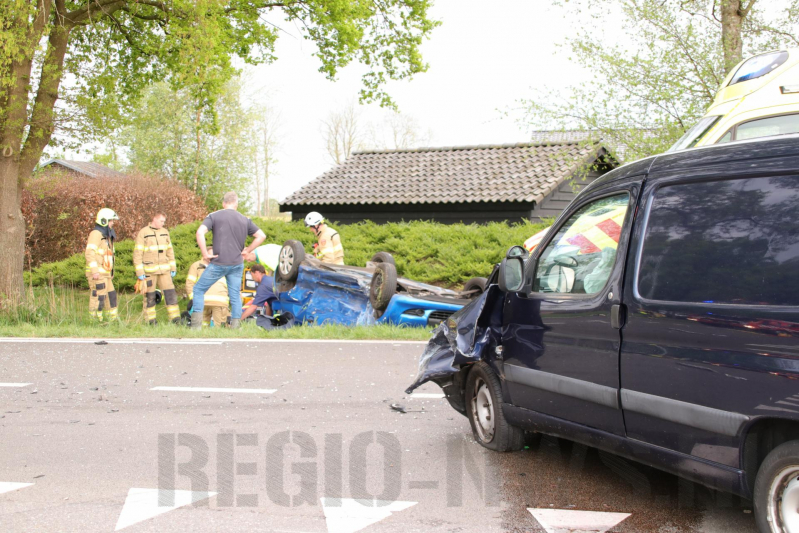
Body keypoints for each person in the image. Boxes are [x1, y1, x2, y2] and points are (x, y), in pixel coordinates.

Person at [191, 191, 266, 329]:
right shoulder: (245, 219)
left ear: (223, 203)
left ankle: (196, 327)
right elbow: (261, 236)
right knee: (235, 295)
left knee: (198, 290)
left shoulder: (214, 216)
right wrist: (248, 250)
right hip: (237, 264)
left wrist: (205, 253)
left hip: (219, 262)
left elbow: (199, 232)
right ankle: (236, 326)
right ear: (236, 204)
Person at [133, 213, 180, 324]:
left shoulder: (165, 232)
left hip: (164, 271)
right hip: (149, 271)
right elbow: (138, 253)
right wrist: (139, 271)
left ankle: (175, 319)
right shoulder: (144, 233)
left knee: (170, 294)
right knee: (150, 296)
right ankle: (150, 320)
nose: (163, 223)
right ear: (154, 219)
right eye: (161, 221)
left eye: (164, 221)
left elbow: (170, 251)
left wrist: (173, 267)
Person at [85, 208, 119, 322]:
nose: (112, 223)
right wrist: (94, 271)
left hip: (105, 274)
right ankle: (95, 321)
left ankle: (112, 321)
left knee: (111, 296)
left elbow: (109, 256)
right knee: (99, 297)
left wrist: (111, 273)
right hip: (98, 274)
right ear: (104, 221)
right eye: (111, 221)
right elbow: (90, 253)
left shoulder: (106, 237)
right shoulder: (96, 234)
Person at [186, 247, 230, 327]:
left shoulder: (224, 266)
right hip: (203, 302)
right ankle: (203, 337)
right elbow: (189, 283)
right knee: (203, 327)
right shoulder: (196, 266)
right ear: (205, 255)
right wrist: (194, 298)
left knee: (219, 327)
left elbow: (231, 285)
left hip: (219, 302)